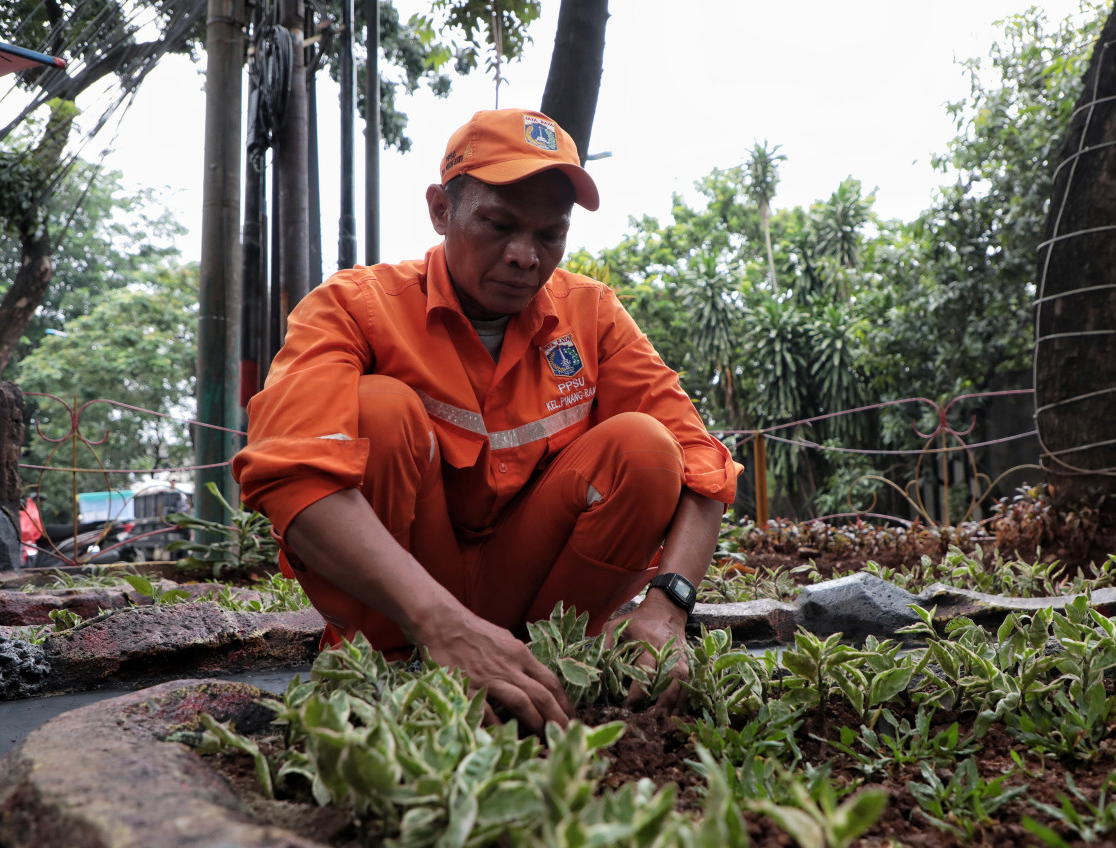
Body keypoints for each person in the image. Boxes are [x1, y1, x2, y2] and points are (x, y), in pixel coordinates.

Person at [233, 108, 741, 733]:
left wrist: (668, 608)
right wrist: (444, 625)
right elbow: (292, 476)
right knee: (378, 412)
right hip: (402, 605)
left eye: (550, 235)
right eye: (498, 225)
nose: (525, 257)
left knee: (646, 447)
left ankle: (547, 661)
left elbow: (700, 465)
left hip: (534, 594)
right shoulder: (354, 307)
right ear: (441, 210)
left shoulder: (593, 313)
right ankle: (394, 663)